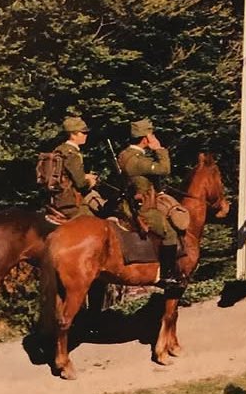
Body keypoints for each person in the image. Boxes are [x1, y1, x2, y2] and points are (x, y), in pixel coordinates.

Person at [117, 118, 187, 289]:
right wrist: (159, 149)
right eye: (151, 134)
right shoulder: (137, 160)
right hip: (144, 208)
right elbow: (164, 169)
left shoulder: (125, 154)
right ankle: (166, 276)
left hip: (132, 201)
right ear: (145, 138)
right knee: (169, 233)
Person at [49, 116, 102, 219]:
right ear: (73, 134)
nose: (86, 135)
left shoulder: (59, 149)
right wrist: (91, 182)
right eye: (83, 133)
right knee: (97, 224)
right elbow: (81, 184)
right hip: (71, 203)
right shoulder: (72, 154)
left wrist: (85, 176)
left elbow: (64, 174)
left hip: (57, 199)